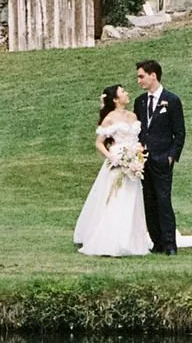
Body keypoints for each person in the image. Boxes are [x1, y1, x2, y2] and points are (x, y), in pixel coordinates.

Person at [73, 84, 151, 257]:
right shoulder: (110, 118)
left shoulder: (132, 115)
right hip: (118, 163)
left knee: (133, 199)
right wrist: (112, 157)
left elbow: (136, 138)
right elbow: (99, 142)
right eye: (123, 92)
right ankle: (113, 238)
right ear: (116, 99)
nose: (126, 93)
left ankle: (133, 239)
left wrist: (138, 151)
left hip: (134, 163)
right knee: (117, 198)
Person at [134, 59, 186, 255]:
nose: (139, 80)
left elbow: (179, 132)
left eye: (141, 76)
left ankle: (170, 244)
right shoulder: (140, 102)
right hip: (142, 160)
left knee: (164, 200)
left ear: (153, 75)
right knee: (149, 201)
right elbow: (138, 129)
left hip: (163, 158)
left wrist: (172, 156)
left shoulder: (171, 100)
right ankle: (157, 242)